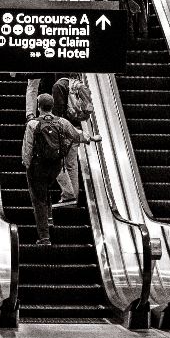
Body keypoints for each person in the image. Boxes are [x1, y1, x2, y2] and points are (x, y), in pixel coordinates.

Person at [21, 94, 101, 246]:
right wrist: (90, 138)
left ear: (38, 107)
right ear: (51, 106)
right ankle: (49, 219)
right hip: (55, 167)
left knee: (39, 200)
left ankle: (44, 238)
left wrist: (27, 164)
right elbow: (76, 136)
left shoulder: (32, 124)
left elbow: (28, 147)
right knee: (45, 189)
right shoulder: (62, 122)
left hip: (38, 167)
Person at [50, 74, 82, 207]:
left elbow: (58, 113)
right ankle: (73, 198)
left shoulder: (59, 86)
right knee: (71, 165)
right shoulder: (77, 84)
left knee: (57, 163)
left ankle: (68, 196)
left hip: (64, 131)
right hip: (76, 128)